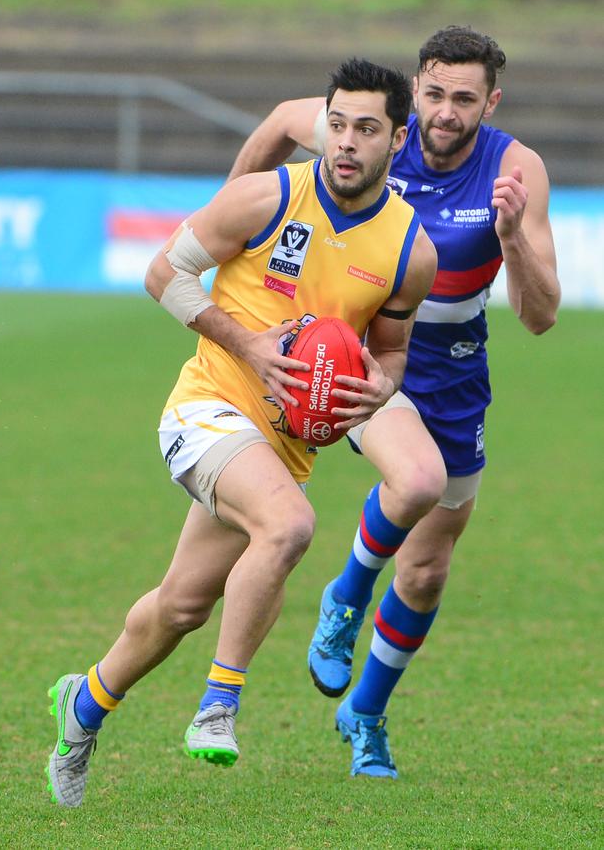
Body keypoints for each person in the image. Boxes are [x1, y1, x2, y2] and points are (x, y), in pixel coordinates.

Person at [45, 57, 447, 808]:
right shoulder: (266, 197)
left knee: (180, 606)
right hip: (206, 409)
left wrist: (378, 387)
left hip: (282, 445)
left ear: (399, 138)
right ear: (321, 123)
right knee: (290, 524)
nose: (347, 142)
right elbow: (165, 273)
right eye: (337, 124)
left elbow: (391, 351)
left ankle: (85, 703)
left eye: (367, 129)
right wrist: (250, 345)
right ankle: (219, 704)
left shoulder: (408, 250)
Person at [228, 25, 560, 779]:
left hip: (455, 370)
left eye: (464, 99)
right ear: (417, 90)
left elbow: (540, 315)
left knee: (428, 571)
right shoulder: (379, 133)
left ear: (491, 102)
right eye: (436, 93)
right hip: (362, 352)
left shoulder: (516, 170)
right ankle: (346, 595)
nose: (446, 111)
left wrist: (512, 238)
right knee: (415, 481)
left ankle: (365, 715)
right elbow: (284, 121)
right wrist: (235, 211)